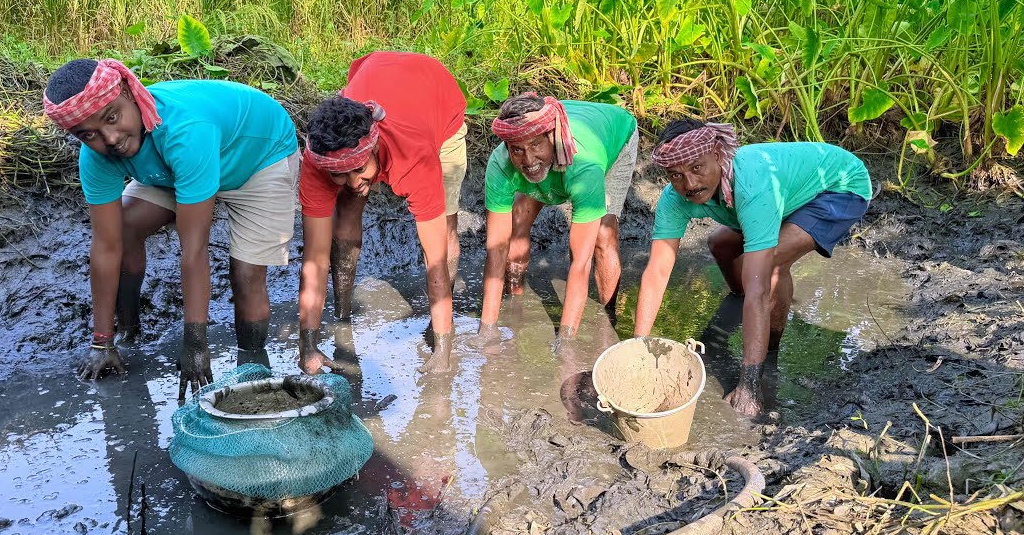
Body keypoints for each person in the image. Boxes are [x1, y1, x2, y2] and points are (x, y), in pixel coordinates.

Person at [43, 58, 300, 396]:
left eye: (112, 117)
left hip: (257, 155)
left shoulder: (184, 130)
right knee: (125, 228)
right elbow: (106, 247)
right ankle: (129, 332)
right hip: (175, 165)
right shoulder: (98, 155)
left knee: (246, 274)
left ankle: (252, 368)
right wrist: (101, 343)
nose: (110, 139)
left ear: (129, 93)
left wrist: (195, 343)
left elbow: (193, 249)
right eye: (88, 134)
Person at [634, 119, 872, 415]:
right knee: (720, 245)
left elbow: (760, 287)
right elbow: (657, 271)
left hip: (838, 188)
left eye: (697, 168)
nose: (690, 185)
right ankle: (739, 300)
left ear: (719, 156)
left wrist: (748, 385)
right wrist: (637, 347)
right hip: (784, 193)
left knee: (767, 268)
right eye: (676, 176)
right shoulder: (675, 198)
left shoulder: (751, 184)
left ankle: (769, 353)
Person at [297, 51, 467, 375]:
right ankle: (342, 316)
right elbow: (315, 258)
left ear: (373, 146)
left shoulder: (417, 158)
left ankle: (440, 326)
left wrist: (443, 354)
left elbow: (435, 259)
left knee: (444, 227)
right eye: (338, 174)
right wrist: (308, 344)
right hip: (376, 71)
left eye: (359, 169)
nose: (352, 182)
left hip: (438, 101)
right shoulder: (320, 158)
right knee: (347, 210)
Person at [475, 93, 638, 352]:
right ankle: (514, 299)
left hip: (614, 136)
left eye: (536, 145)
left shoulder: (585, 167)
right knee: (517, 220)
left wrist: (566, 340)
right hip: (564, 150)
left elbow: (580, 263)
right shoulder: (501, 165)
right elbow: (496, 249)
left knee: (602, 238)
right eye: (517, 150)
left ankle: (608, 319)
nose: (528, 160)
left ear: (552, 136)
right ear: (507, 148)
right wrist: (487, 329)